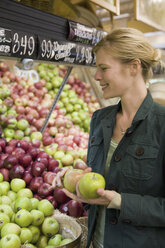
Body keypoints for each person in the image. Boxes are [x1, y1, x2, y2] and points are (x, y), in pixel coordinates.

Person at [55, 27, 165, 248]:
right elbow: (97, 183)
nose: (96, 76)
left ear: (134, 67)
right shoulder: (99, 120)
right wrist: (76, 180)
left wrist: (120, 201)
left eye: (103, 68)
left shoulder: (161, 126)